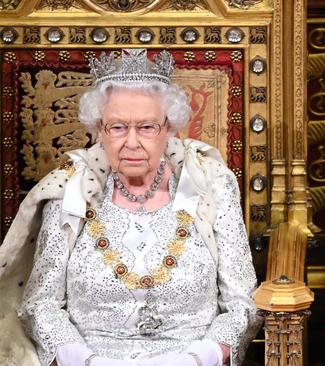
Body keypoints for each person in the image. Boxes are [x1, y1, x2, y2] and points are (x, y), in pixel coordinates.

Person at [0, 48, 260, 366]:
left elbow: (243, 303)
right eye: (118, 127)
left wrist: (197, 358)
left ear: (169, 129)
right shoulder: (70, 192)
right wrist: (85, 361)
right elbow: (40, 304)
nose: (133, 142)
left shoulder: (211, 187)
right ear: (99, 131)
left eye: (147, 127)